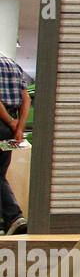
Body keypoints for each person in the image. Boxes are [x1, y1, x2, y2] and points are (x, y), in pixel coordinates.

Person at [0, 53, 30, 233]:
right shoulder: (11, 64)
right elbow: (26, 99)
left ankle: (14, 216)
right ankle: (11, 220)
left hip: (4, 121)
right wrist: (19, 127)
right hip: (9, 129)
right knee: (0, 173)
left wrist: (11, 122)